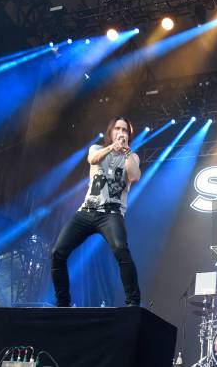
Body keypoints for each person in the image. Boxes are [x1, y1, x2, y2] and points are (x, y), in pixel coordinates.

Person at [51, 116, 142, 307]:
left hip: (112, 213)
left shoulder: (132, 156)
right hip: (87, 210)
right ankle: (63, 303)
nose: (121, 133)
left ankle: (132, 303)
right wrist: (111, 147)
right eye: (118, 128)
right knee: (57, 253)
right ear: (111, 132)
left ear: (129, 136)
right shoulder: (97, 149)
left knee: (121, 250)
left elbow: (134, 175)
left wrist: (125, 152)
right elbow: (93, 159)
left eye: (125, 130)